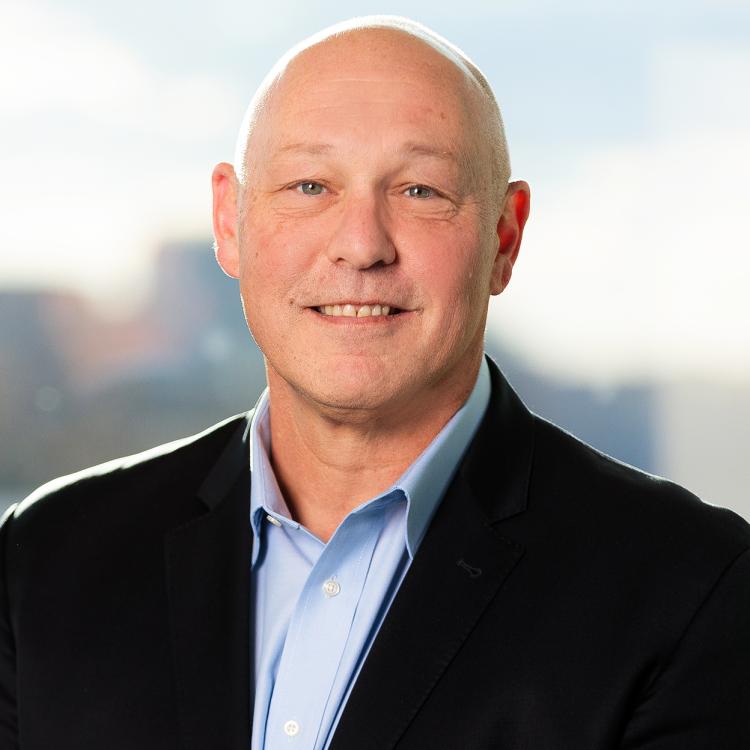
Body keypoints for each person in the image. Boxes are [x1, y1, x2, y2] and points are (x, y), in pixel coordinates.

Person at [1, 15, 748, 750]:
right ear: (229, 221)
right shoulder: (46, 558)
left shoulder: (692, 589)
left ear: (504, 236)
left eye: (420, 191)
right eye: (309, 185)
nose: (362, 246)